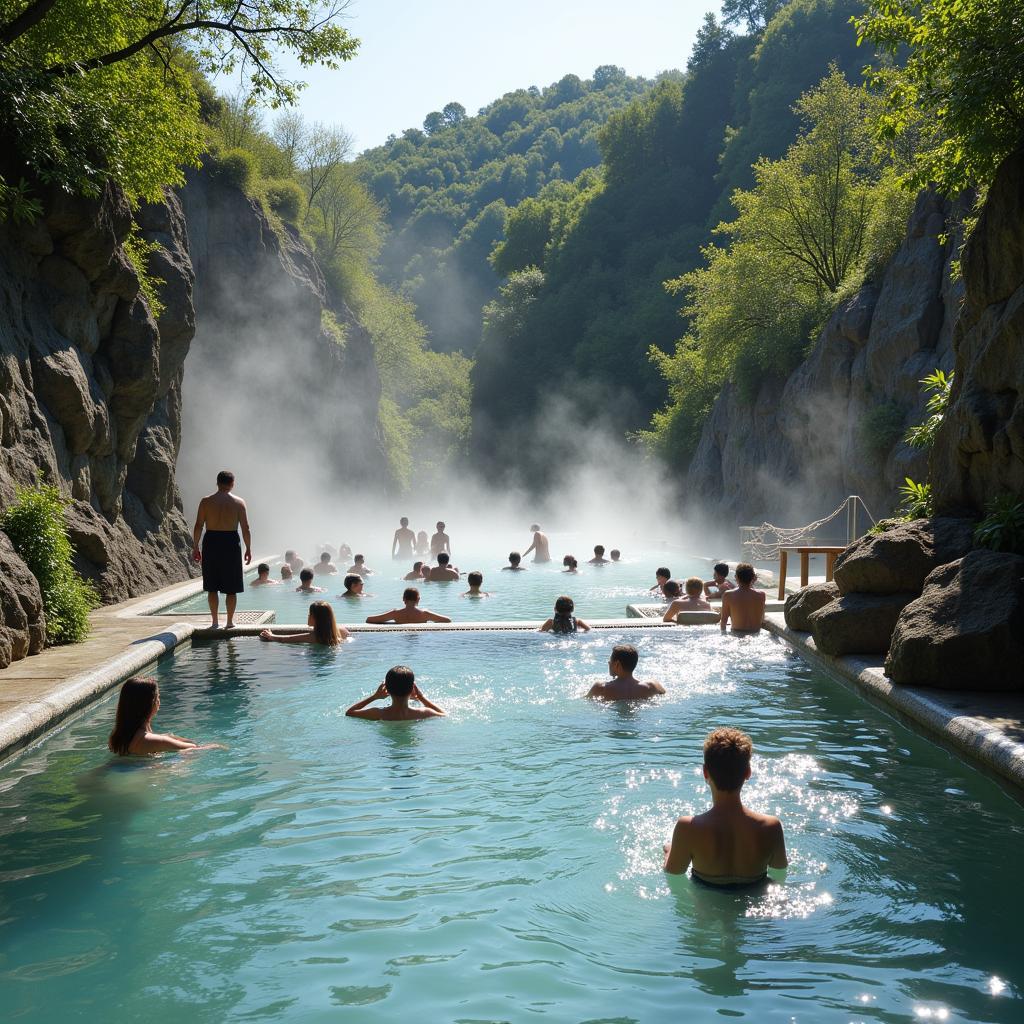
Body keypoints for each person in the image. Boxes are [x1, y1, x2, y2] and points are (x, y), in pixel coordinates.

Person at [663, 727, 787, 887]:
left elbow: (674, 872)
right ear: (748, 772)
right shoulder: (771, 826)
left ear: (705, 772)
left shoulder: (687, 827)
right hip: (756, 901)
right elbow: (780, 870)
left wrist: (669, 851)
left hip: (705, 907)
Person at [192, 470, 251, 629]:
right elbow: (245, 528)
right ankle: (230, 622)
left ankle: (215, 622)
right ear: (232, 484)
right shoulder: (239, 502)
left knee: (212, 586)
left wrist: (195, 546)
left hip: (211, 541)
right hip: (231, 542)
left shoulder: (206, 501)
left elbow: (198, 525)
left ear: (217, 483)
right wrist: (248, 549)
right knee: (231, 587)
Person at [108, 677, 220, 755]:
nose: (159, 701)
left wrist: (169, 737)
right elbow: (195, 749)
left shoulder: (117, 735)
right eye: (158, 697)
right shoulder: (155, 741)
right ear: (152, 703)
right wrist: (216, 746)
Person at [345, 665, 446, 720]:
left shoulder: (378, 713)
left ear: (387, 690)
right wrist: (421, 697)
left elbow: (349, 713)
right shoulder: (422, 713)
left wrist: (374, 697)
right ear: (412, 689)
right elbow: (443, 714)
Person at [586, 645, 665, 701]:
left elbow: (586, 702)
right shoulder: (651, 686)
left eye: (610, 660)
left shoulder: (601, 687)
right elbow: (664, 694)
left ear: (617, 664)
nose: (609, 663)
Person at [260, 601, 349, 645]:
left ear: (316, 618)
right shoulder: (341, 631)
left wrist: (271, 636)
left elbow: (285, 639)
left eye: (310, 614)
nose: (308, 616)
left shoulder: (313, 637)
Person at [365, 587, 452, 625]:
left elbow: (369, 619)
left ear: (403, 599)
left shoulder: (395, 613)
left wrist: (387, 622)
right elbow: (447, 620)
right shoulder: (425, 614)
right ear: (418, 600)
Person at [720, 563, 766, 633]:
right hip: (755, 634)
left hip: (737, 634)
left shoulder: (728, 595)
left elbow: (723, 622)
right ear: (753, 577)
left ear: (736, 577)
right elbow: (761, 619)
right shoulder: (761, 595)